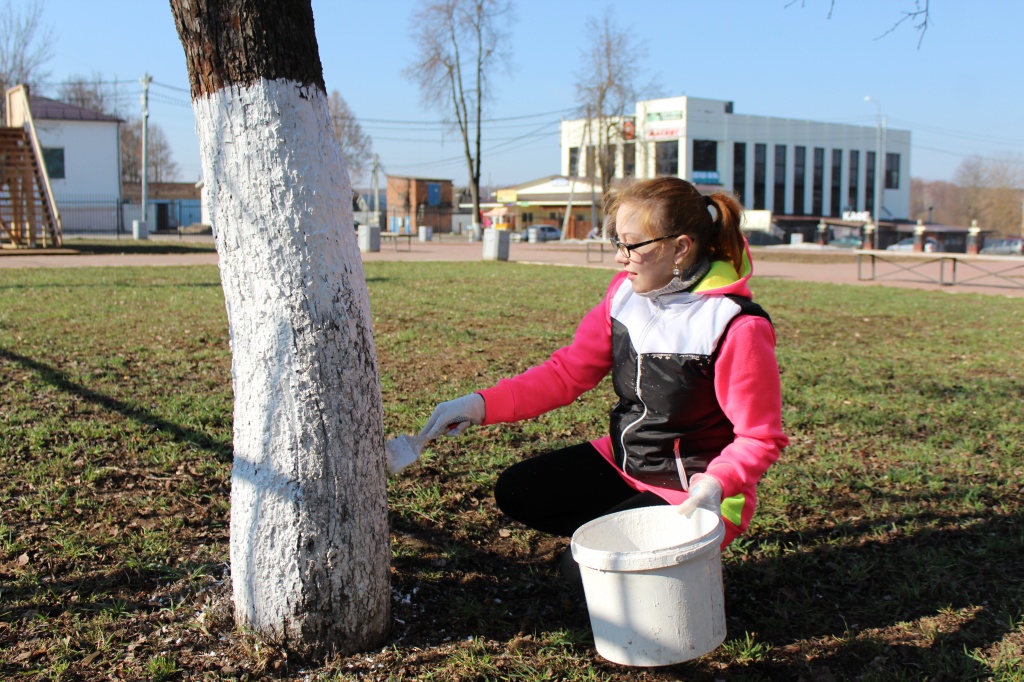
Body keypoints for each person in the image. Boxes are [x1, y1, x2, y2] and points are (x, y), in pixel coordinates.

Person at [415, 177, 787, 551]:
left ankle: (667, 555)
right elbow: (566, 373)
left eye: (632, 245)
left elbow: (760, 436)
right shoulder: (624, 294)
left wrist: (717, 483)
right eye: (617, 242)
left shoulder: (736, 325)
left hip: (699, 495)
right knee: (519, 490)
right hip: (624, 466)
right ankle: (631, 534)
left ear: (680, 248)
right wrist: (480, 405)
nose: (619, 256)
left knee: (589, 576)